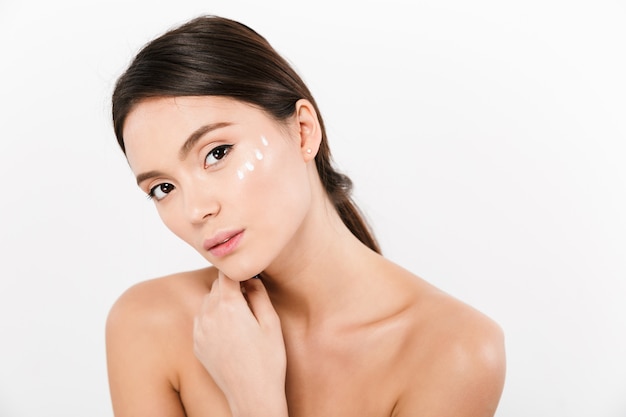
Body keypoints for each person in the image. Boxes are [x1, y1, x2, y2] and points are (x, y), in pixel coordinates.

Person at [106, 15, 506, 417]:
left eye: (217, 153)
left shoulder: (453, 351)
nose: (196, 210)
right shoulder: (149, 325)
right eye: (163, 188)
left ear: (302, 130)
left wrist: (254, 399)